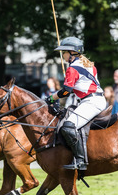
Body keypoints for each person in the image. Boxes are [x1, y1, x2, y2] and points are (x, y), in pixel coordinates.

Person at [45, 37, 105, 170]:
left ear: (71, 53)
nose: (63, 55)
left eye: (64, 52)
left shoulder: (73, 68)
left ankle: (80, 160)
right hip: (94, 100)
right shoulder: (89, 65)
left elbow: (66, 91)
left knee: (67, 127)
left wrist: (51, 98)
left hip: (92, 101)